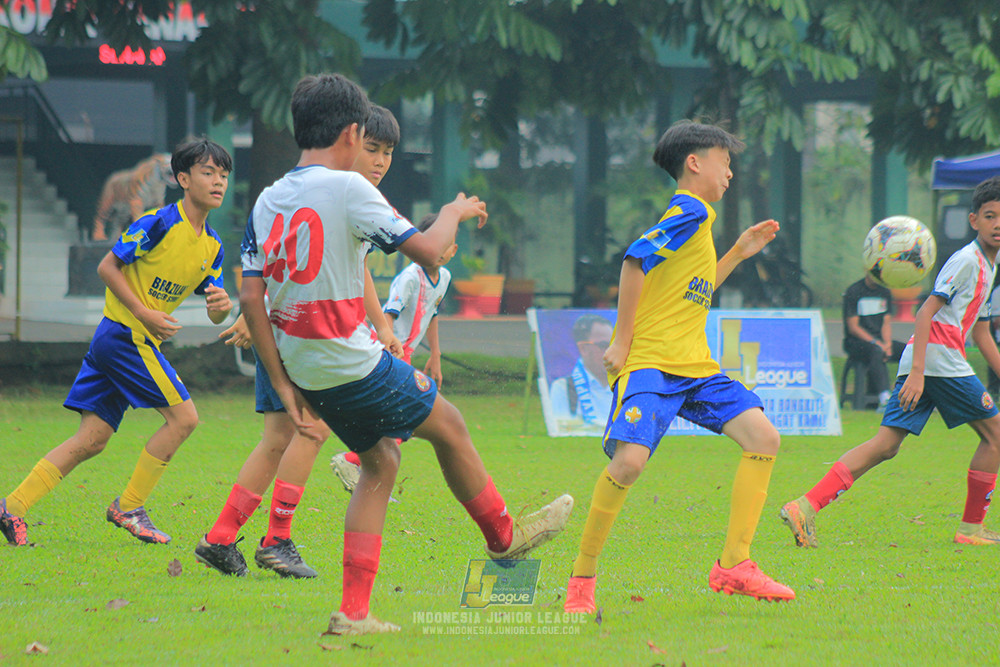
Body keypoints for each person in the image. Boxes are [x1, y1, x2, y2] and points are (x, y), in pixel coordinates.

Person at [240, 73, 573, 635]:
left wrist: (284, 380)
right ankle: (504, 540)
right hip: (351, 362)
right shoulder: (349, 189)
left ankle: (354, 613)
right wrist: (453, 209)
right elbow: (433, 251)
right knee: (450, 423)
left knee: (380, 462)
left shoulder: (269, 198)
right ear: (351, 131)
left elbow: (252, 295)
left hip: (303, 367)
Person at [563, 120, 796, 614]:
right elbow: (633, 260)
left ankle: (734, 564)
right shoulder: (690, 209)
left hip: (694, 365)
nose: (730, 173)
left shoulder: (701, 220)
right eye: (724, 162)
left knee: (763, 438)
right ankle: (582, 579)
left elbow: (694, 289)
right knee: (628, 463)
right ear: (695, 163)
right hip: (650, 362)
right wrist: (622, 343)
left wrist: (737, 252)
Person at [194, 104, 404, 579]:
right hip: (299, 336)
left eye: (388, 152)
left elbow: (358, 270)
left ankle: (222, 537)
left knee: (278, 438)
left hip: (283, 332)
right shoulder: (329, 196)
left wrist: (384, 327)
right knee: (309, 431)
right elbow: (276, 263)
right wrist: (258, 313)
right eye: (370, 148)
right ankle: (277, 540)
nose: (379, 162)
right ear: (345, 141)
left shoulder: (329, 197)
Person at [0, 138, 234, 546]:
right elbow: (108, 267)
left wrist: (221, 305)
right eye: (208, 172)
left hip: (124, 340)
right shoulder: (158, 222)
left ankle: (12, 507)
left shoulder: (212, 246)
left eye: (224, 175)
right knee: (185, 419)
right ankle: (129, 506)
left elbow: (215, 310)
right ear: (183, 179)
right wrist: (143, 312)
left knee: (91, 439)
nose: (218, 182)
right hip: (125, 335)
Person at [782, 176, 1000, 548]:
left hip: (933, 360)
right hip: (937, 359)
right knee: (996, 436)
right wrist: (917, 373)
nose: (998, 224)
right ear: (973, 220)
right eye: (991, 216)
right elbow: (925, 312)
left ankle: (805, 505)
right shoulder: (967, 260)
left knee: (886, 444)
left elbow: (981, 331)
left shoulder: (989, 265)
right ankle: (970, 529)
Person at [330, 211, 458, 493]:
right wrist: (388, 356)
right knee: (410, 418)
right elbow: (389, 315)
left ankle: (363, 475)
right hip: (393, 352)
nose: (443, 249)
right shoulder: (410, 277)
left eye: (448, 243)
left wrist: (435, 355)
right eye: (437, 242)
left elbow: (432, 313)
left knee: (400, 419)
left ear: (454, 248)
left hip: (409, 353)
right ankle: (352, 461)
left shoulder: (445, 277)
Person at [842, 273, 907, 408]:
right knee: (876, 351)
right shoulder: (854, 291)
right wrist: (876, 343)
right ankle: (884, 397)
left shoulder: (884, 292)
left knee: (909, 351)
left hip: (881, 341)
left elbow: (886, 323)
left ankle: (909, 395)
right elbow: (853, 327)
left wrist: (887, 344)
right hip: (856, 343)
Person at [549, 314, 615, 425]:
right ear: (583, 348)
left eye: (614, 345)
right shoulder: (563, 388)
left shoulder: (625, 386)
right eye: (604, 345)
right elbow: (562, 431)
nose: (611, 351)